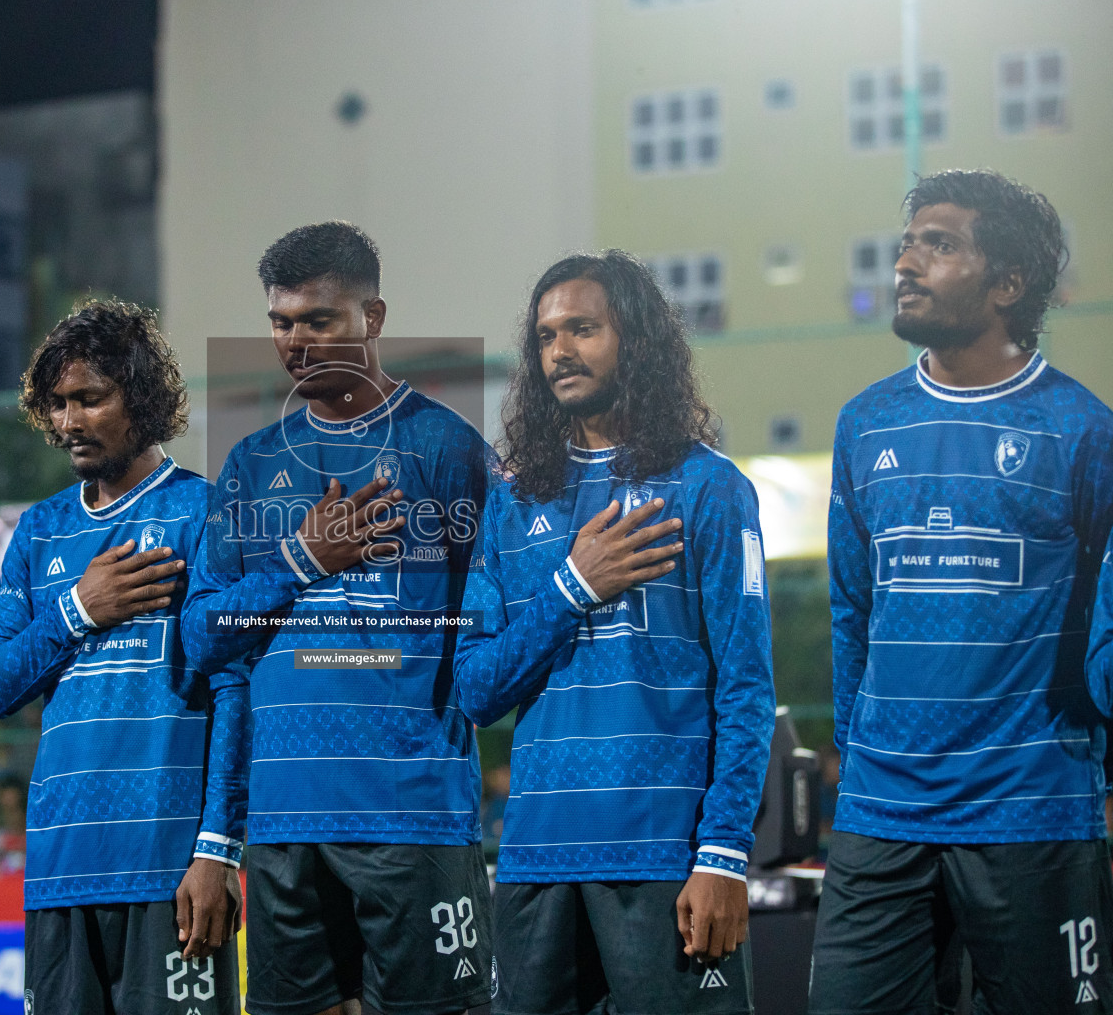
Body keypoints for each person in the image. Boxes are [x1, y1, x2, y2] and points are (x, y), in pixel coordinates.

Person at [809, 169, 1113, 1013]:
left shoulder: (1083, 431)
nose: (906, 263)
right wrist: (861, 748)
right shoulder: (865, 422)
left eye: (939, 246)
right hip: (882, 814)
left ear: (1007, 283)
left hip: (1033, 814)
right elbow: (851, 609)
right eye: (908, 244)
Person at [184, 221, 495, 1015]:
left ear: (374, 318)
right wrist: (301, 561)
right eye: (281, 322)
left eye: (318, 319)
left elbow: (487, 631)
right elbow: (200, 639)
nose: (295, 341)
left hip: (410, 816)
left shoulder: (447, 449)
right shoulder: (251, 464)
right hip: (284, 820)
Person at [453, 251, 774, 1013]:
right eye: (545, 336)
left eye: (583, 329)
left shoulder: (711, 489)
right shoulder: (509, 504)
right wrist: (573, 586)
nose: (560, 350)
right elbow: (475, 690)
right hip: (537, 860)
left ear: (637, 339)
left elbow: (747, 689)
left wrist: (724, 855)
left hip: (667, 861)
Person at [0, 301, 248, 1014]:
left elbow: (234, 690)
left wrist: (217, 849)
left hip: (168, 869)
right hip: (61, 869)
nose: (68, 422)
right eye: (59, 403)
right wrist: (78, 610)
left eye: (90, 399)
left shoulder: (204, 513)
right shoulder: (41, 530)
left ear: (143, 399)